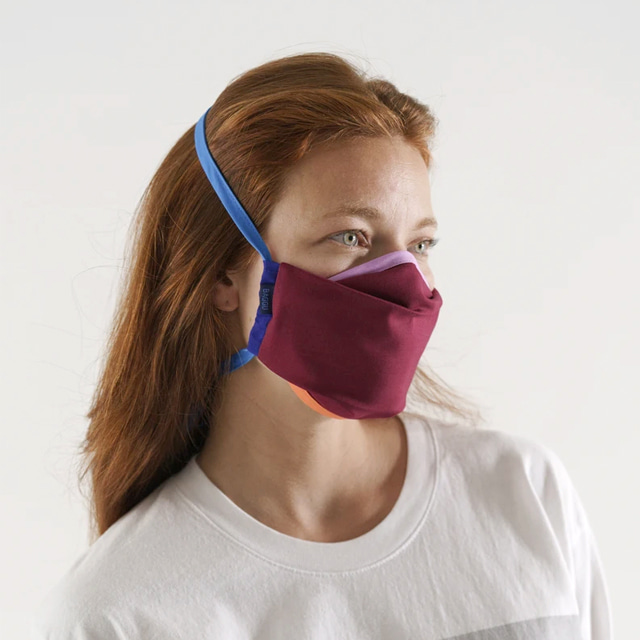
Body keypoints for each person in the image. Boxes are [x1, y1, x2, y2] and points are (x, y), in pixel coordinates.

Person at [32, 52, 613, 639]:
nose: (406, 282)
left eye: (421, 243)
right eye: (350, 237)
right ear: (222, 278)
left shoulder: (525, 497)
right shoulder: (120, 614)